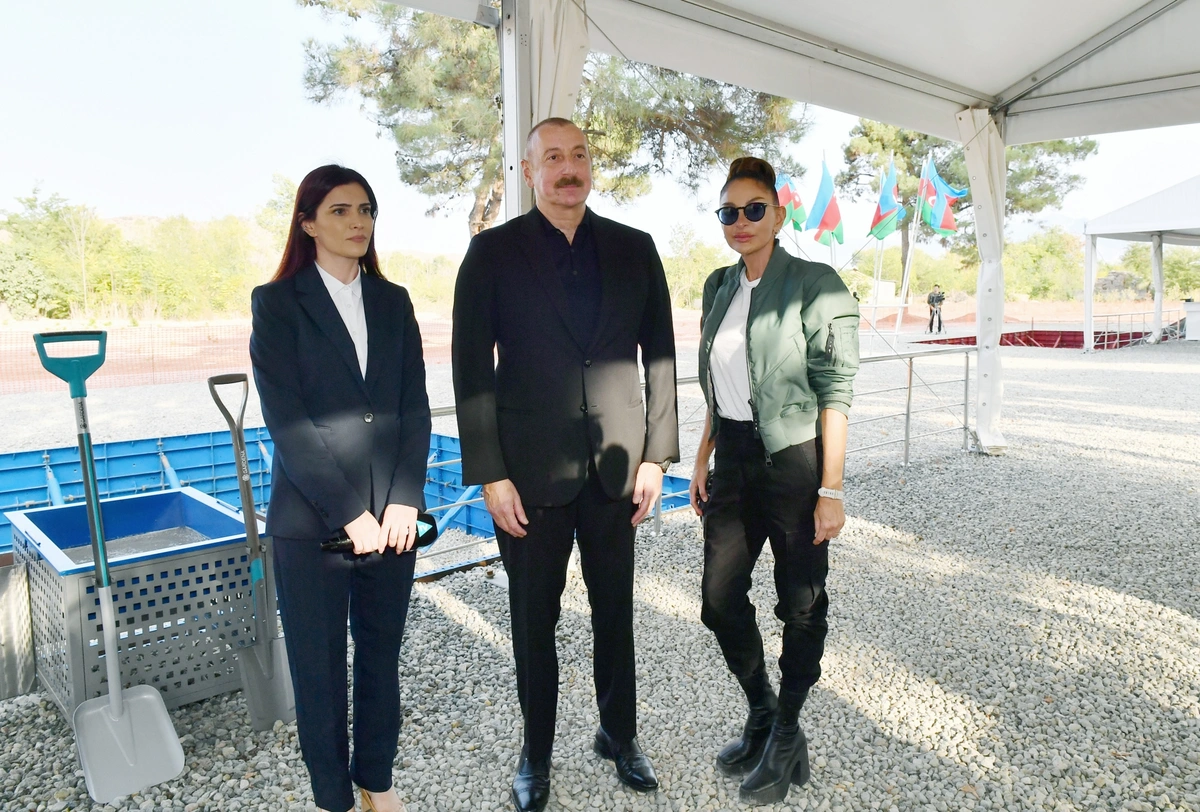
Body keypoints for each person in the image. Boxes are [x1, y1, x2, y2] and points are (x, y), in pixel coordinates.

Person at [452, 117, 679, 812]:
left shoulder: (636, 248)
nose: (568, 167)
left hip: (617, 471)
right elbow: (471, 370)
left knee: (616, 614)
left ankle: (620, 734)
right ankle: (536, 752)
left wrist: (656, 456)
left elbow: (661, 358)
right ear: (528, 171)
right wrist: (490, 474)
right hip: (528, 477)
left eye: (578, 154)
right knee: (532, 622)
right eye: (552, 157)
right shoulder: (491, 254)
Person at [250, 165, 431, 812]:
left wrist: (404, 497)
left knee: (380, 659)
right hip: (313, 524)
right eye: (340, 211)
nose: (358, 222)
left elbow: (413, 408)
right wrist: (351, 513)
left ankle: (376, 781)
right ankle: (334, 798)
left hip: (394, 521)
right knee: (319, 669)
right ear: (307, 224)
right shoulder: (277, 304)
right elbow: (289, 424)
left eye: (366, 210)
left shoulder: (393, 301)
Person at [689, 157, 859, 806]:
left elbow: (836, 392)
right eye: (729, 212)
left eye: (754, 208)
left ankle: (787, 732)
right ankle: (762, 711)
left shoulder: (816, 284)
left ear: (779, 215)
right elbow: (718, 385)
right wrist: (701, 456)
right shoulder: (718, 286)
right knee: (717, 600)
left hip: (793, 461)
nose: (741, 221)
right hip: (732, 459)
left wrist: (831, 490)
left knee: (801, 602)